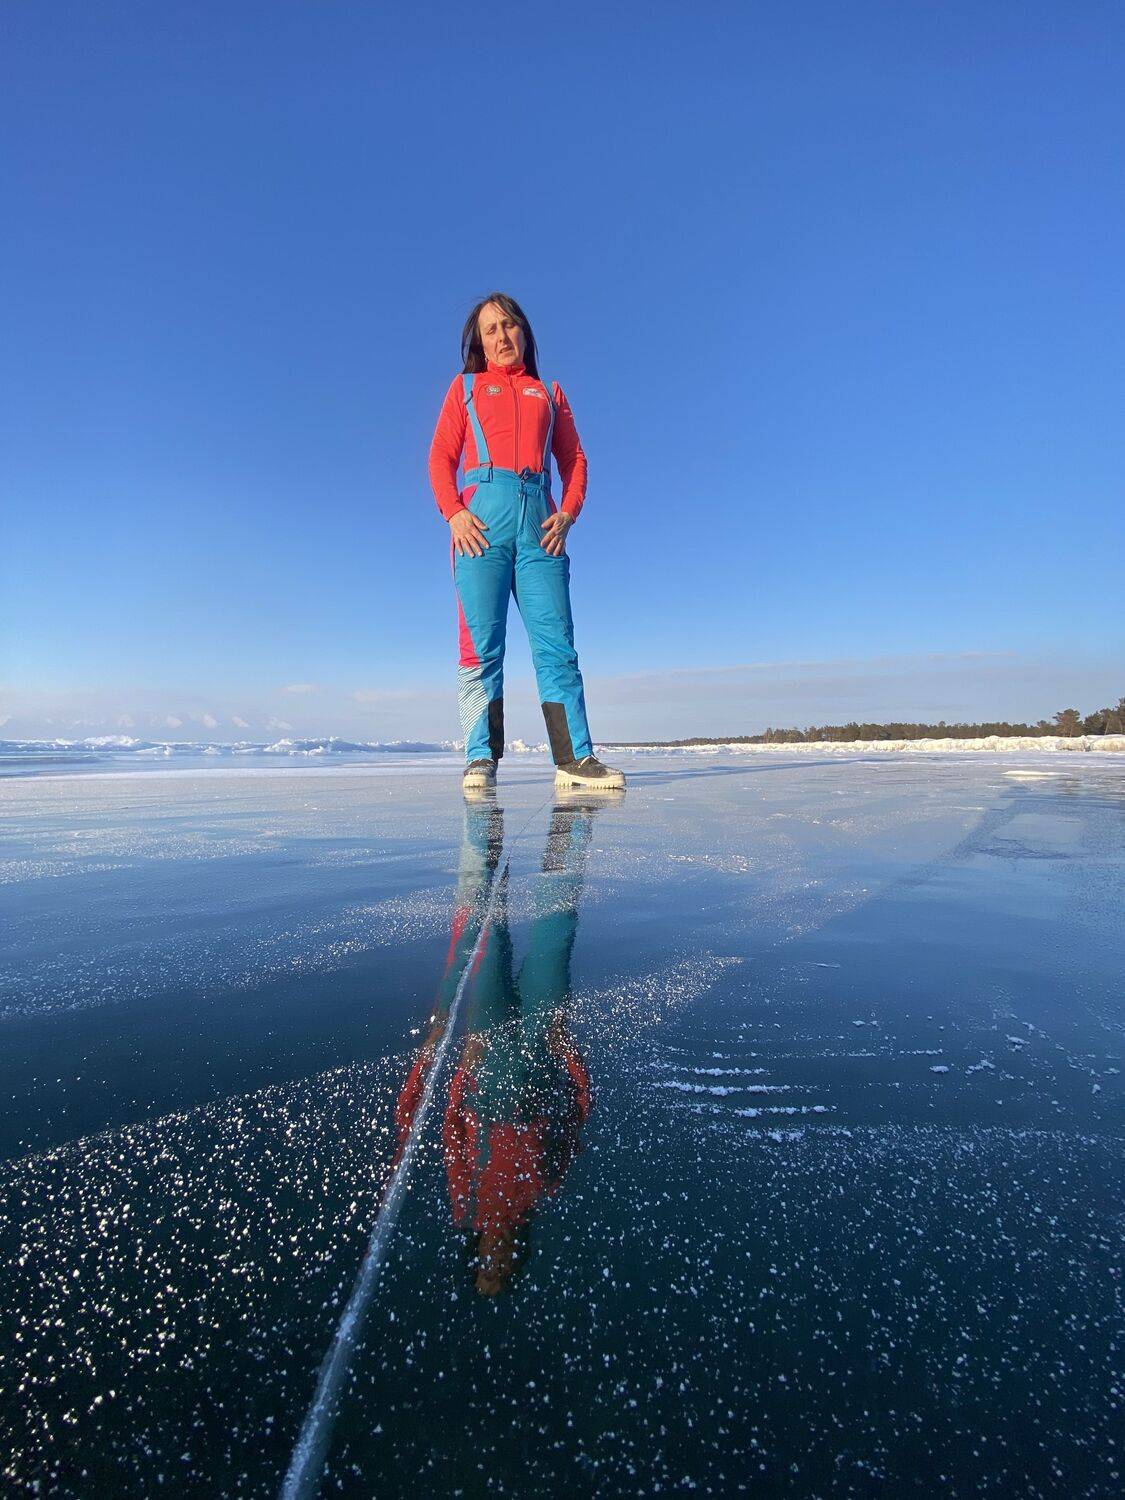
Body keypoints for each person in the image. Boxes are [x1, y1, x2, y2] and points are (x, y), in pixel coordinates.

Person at [428, 292, 625, 794]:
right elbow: (441, 456)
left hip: (540, 528)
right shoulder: (465, 388)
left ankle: (575, 758)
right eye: (490, 329)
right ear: (480, 342)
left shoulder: (550, 394)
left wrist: (568, 512)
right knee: (480, 648)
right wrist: (454, 512)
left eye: (509, 325)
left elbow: (574, 459)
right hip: (482, 527)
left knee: (557, 645)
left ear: (524, 332)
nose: (502, 336)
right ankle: (480, 757)